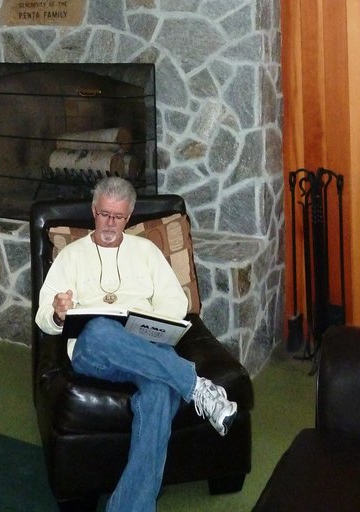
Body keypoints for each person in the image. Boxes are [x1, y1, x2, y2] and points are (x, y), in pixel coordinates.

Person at [35, 176, 237, 512]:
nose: (109, 223)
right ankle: (195, 386)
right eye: (104, 214)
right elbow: (43, 317)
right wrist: (58, 313)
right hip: (94, 352)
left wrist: (144, 325)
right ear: (93, 211)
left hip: (145, 351)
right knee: (100, 330)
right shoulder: (70, 256)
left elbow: (176, 303)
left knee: (159, 393)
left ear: (128, 217)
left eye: (118, 217)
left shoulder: (146, 252)